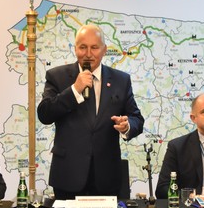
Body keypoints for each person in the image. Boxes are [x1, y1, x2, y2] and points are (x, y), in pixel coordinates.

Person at [37, 24, 144, 199]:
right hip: (68, 175)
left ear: (104, 50)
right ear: (75, 48)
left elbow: (137, 119)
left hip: (107, 177)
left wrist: (127, 126)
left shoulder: (121, 80)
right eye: (83, 47)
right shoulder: (57, 76)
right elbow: (44, 114)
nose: (88, 54)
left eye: (94, 47)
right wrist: (74, 90)